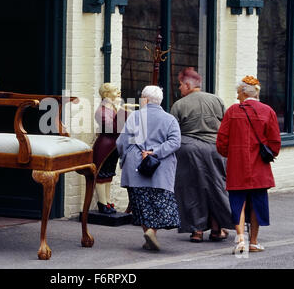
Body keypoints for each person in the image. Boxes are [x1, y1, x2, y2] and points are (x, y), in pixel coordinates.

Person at [216, 75, 281, 254]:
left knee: (238, 202)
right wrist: (270, 155)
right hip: (260, 166)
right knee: (257, 203)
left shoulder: (232, 111)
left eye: (238, 93)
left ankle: (240, 241)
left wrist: (229, 154)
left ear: (244, 93)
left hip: (237, 165)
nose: (237, 97)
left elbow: (221, 140)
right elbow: (275, 141)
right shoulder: (268, 111)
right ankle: (253, 241)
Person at [170, 67, 233, 243]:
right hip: (216, 150)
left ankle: (196, 231)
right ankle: (216, 229)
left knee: (191, 190)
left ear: (188, 85)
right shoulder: (217, 100)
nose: (179, 88)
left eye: (180, 85)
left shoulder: (179, 105)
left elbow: (173, 132)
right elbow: (227, 125)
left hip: (189, 151)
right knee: (215, 188)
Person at [116, 85, 181, 251]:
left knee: (141, 203)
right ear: (160, 100)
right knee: (160, 203)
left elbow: (122, 141)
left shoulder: (134, 117)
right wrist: (155, 152)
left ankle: (148, 232)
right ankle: (152, 232)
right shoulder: (169, 119)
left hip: (135, 165)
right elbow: (175, 142)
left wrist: (123, 159)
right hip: (161, 167)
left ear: (144, 99)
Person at [92, 83, 136, 214]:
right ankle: (102, 203)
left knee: (108, 174)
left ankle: (108, 201)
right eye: (115, 90)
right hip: (104, 147)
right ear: (106, 94)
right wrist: (124, 110)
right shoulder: (101, 111)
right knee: (101, 174)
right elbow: (113, 128)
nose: (119, 91)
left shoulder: (112, 108)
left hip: (113, 146)